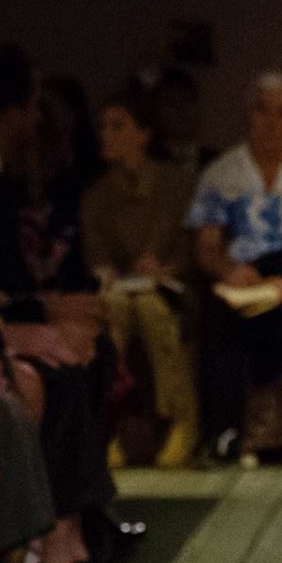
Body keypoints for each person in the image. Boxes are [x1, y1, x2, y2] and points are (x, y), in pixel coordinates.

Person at [187, 72, 282, 463]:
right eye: (262, 111)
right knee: (217, 315)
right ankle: (223, 433)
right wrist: (229, 271)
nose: (271, 123)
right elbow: (206, 247)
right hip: (243, 275)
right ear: (248, 115)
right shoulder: (221, 173)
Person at [82, 82, 199, 468]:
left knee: (151, 308)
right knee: (117, 307)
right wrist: (109, 272)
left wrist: (165, 268)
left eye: (118, 126)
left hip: (170, 291)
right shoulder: (96, 196)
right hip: (120, 290)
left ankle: (179, 416)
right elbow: (95, 255)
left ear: (143, 133)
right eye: (103, 127)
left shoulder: (176, 186)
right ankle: (111, 422)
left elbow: (190, 246)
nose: (107, 135)